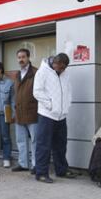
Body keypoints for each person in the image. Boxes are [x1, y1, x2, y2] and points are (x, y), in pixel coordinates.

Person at [33, 53, 77, 183]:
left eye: (64, 68)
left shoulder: (65, 73)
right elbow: (37, 91)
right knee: (43, 145)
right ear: (55, 63)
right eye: (60, 67)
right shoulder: (42, 72)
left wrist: (67, 105)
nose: (62, 70)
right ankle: (41, 173)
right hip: (47, 115)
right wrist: (50, 105)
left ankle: (61, 170)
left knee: (61, 145)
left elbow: (68, 91)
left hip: (61, 115)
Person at [11, 49, 38, 174]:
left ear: (28, 58)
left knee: (35, 140)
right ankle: (23, 164)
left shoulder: (36, 72)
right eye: (19, 57)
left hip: (33, 112)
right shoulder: (17, 74)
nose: (21, 59)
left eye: (23, 57)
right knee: (21, 140)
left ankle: (36, 165)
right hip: (19, 112)